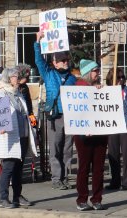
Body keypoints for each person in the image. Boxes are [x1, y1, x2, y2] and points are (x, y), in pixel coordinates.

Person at [35, 31, 76, 190]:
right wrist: (37, 42)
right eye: (62, 60)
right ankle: (56, 178)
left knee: (67, 149)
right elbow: (39, 61)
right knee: (55, 148)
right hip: (56, 116)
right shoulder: (49, 74)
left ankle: (64, 177)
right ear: (55, 63)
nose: (65, 62)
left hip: (70, 116)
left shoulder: (72, 78)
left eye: (66, 59)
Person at [0, 68, 34, 209]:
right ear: (8, 78)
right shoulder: (0, 94)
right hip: (8, 138)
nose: (18, 78)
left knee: (18, 169)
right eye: (15, 76)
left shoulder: (18, 94)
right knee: (8, 168)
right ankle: (3, 198)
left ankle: (17, 196)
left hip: (22, 136)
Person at [70, 60, 108, 211]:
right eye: (95, 71)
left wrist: (99, 90)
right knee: (84, 167)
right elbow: (75, 111)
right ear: (87, 73)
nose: (98, 73)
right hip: (83, 134)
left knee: (98, 167)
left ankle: (97, 198)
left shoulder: (97, 88)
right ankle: (82, 199)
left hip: (99, 132)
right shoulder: (78, 87)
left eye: (98, 70)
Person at [105, 68, 127, 191]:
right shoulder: (106, 91)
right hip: (112, 124)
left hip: (126, 123)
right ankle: (115, 181)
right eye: (118, 78)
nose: (121, 80)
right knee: (113, 153)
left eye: (122, 77)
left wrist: (121, 100)